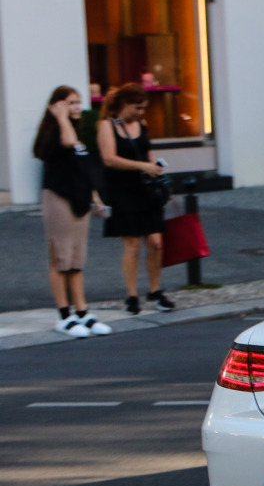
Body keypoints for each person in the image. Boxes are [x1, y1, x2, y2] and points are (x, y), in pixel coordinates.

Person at [33, 86, 113, 338]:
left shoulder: (75, 133)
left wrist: (95, 197)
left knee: (77, 260)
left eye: (78, 102)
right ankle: (64, 315)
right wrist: (60, 117)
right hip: (58, 198)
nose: (77, 107)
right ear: (56, 106)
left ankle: (82, 312)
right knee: (61, 258)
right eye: (70, 103)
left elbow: (83, 169)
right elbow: (66, 143)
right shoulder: (56, 133)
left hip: (80, 199)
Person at [98, 83, 175, 314]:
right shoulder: (106, 125)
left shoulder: (141, 124)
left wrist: (156, 173)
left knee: (156, 243)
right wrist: (143, 166)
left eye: (143, 108)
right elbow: (109, 159)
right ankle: (132, 295)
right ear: (124, 104)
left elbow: (148, 154)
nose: (141, 112)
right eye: (137, 107)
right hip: (123, 190)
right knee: (131, 244)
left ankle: (155, 290)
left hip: (145, 190)